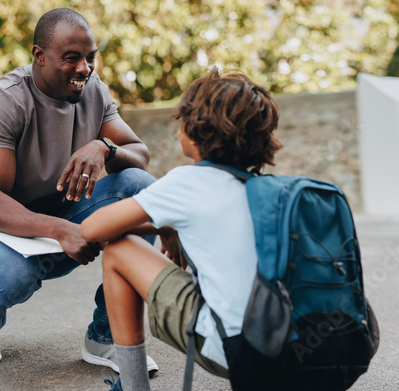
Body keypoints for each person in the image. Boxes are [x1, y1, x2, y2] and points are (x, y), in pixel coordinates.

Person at [0, 8, 158, 374]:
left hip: (63, 216)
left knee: (142, 193)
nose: (84, 68)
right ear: (39, 56)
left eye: (90, 57)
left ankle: (106, 339)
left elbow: (140, 154)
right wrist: (62, 231)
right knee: (11, 274)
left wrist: (105, 147)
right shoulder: (4, 100)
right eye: (71, 58)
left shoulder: (94, 91)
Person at [80, 68, 282, 391]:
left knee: (120, 249)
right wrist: (167, 223)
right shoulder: (270, 190)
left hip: (233, 351)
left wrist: (162, 220)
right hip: (288, 347)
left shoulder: (187, 182)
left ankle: (133, 387)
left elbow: (91, 227)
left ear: (194, 133)